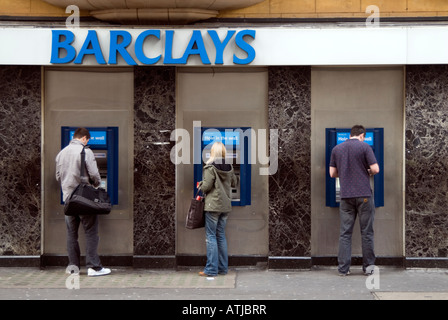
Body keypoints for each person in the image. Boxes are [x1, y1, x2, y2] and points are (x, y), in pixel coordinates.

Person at [56, 127, 111, 277]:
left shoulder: (61, 154)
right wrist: (97, 185)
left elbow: (58, 176)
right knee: (91, 232)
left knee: (71, 234)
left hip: (69, 201)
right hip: (85, 200)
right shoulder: (85, 152)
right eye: (88, 140)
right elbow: (95, 175)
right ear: (85, 138)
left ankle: (73, 267)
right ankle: (94, 267)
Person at [329, 125, 380, 276]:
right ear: (362, 135)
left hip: (345, 196)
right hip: (364, 195)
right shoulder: (365, 147)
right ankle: (369, 268)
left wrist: (346, 173)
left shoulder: (337, 149)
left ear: (350, 135)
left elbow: (332, 173)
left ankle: (343, 269)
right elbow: (376, 169)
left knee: (345, 233)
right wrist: (366, 171)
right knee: (367, 233)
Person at [197, 141, 238, 277]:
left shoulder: (210, 167)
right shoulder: (230, 167)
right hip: (225, 206)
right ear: (224, 152)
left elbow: (206, 186)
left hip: (213, 206)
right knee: (220, 236)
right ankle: (222, 268)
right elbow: (234, 183)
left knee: (211, 236)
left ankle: (211, 269)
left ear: (212, 152)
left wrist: (200, 185)